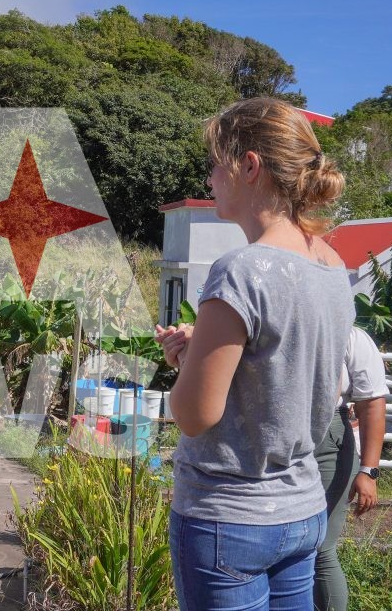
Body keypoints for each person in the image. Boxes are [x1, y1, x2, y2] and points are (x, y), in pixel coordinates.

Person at [155, 97, 353, 610]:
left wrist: (182, 366)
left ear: (249, 166)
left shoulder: (241, 270)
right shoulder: (332, 265)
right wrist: (200, 353)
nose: (209, 179)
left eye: (216, 164)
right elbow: (312, 385)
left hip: (229, 518)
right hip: (303, 507)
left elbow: (195, 415)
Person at [314, 327, 388, 611]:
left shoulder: (349, 336)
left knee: (320, 547)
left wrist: (369, 471)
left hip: (327, 441)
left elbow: (371, 402)